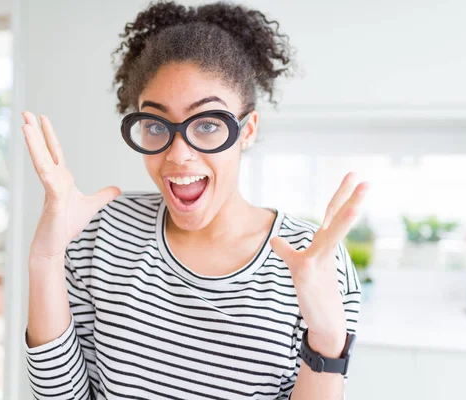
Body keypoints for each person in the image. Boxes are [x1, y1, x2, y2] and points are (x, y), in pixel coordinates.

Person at [21, 1, 368, 399]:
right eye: (154, 125)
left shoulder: (315, 261)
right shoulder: (99, 230)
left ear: (247, 129)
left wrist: (326, 339)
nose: (178, 154)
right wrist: (45, 259)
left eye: (206, 124)